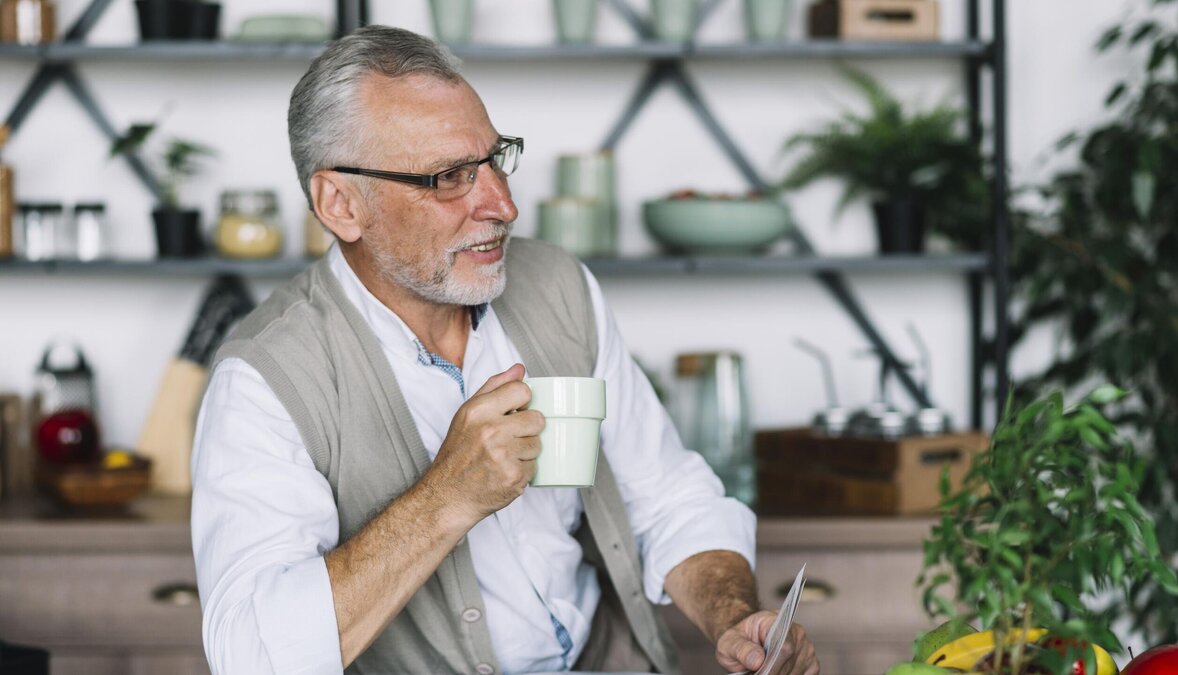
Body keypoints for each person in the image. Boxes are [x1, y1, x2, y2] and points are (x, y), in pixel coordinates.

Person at [190, 24, 819, 675]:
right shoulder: (264, 377)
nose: (503, 203)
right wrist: (446, 497)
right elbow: (251, 655)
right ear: (341, 203)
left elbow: (667, 497)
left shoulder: (560, 286)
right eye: (450, 177)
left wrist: (737, 620)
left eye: (495, 159)